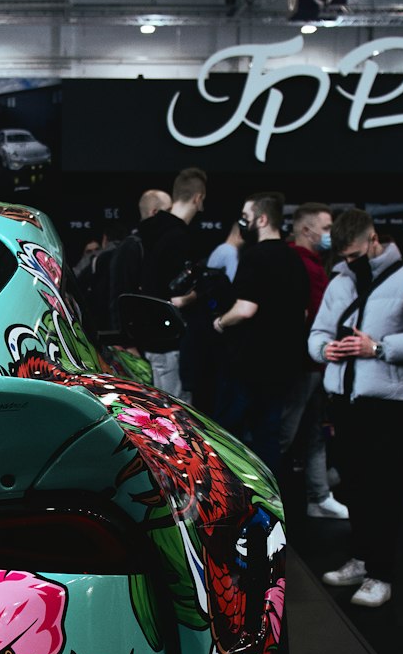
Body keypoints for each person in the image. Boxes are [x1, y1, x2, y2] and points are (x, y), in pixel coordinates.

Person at [309, 208, 403, 608]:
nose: (350, 263)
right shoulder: (340, 281)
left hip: (391, 407)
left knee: (384, 490)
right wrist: (325, 349)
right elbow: (317, 332)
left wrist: (380, 348)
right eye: (344, 257)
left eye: (355, 255)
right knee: (353, 486)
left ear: (373, 240)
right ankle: (362, 557)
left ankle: (381, 572)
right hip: (345, 402)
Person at [210, 190, 309, 475]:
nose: (242, 222)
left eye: (246, 217)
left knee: (227, 434)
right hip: (283, 366)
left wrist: (220, 323)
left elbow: (245, 309)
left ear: (262, 219)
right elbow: (302, 315)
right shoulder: (295, 260)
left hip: (249, 364)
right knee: (268, 436)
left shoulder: (254, 257)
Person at [109, 167, 206, 400]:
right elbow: (129, 292)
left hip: (152, 342)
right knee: (172, 411)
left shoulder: (146, 237)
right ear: (198, 198)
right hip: (162, 342)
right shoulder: (170, 238)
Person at [280, 201, 348, 519]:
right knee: (285, 436)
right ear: (307, 230)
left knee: (314, 434)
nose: (330, 235)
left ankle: (319, 496)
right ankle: (264, 502)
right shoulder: (297, 264)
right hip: (302, 366)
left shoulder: (316, 263)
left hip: (319, 365)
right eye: (325, 229)